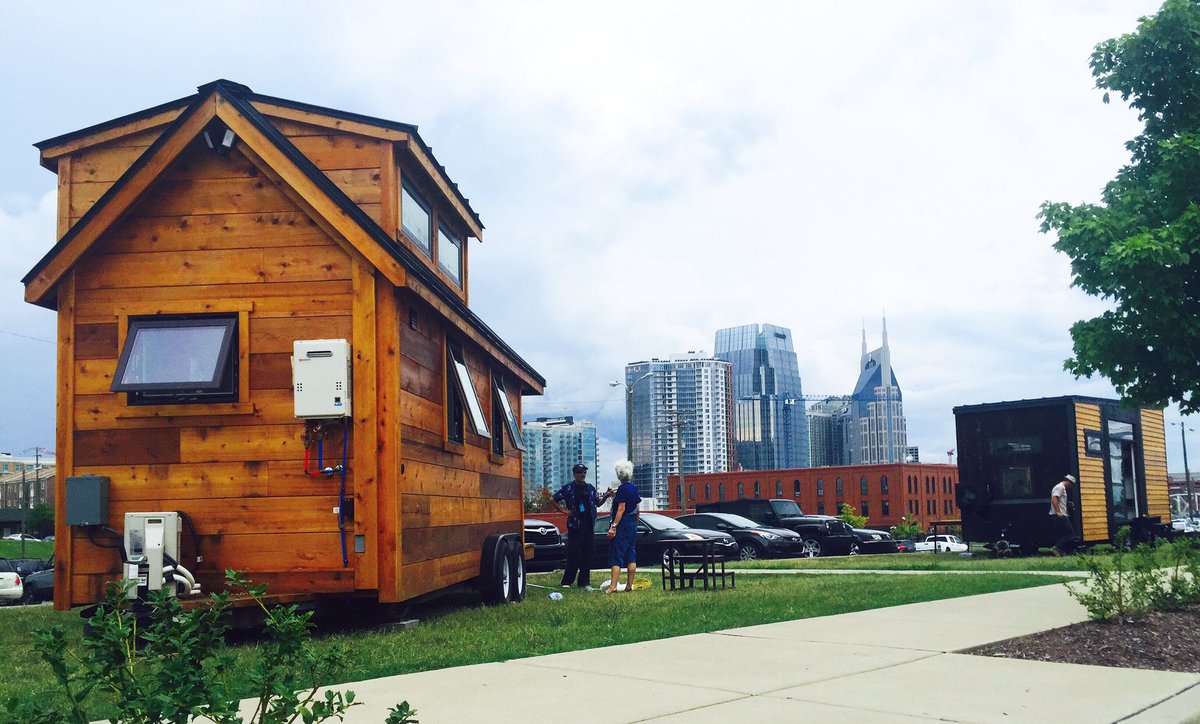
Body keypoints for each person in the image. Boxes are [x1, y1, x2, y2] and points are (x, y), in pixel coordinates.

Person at [552, 463, 611, 590]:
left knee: (588, 553)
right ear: (574, 474)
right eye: (579, 472)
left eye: (584, 472)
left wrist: (606, 495)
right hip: (575, 526)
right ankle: (567, 581)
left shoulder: (590, 488)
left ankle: (584, 582)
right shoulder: (568, 488)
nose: (582, 474)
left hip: (588, 525)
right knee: (574, 554)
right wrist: (564, 511)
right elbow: (553, 499)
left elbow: (598, 503)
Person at [606, 459, 641, 594]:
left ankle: (613, 586)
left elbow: (621, 508)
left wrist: (614, 526)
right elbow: (637, 507)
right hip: (632, 524)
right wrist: (636, 520)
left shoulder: (622, 489)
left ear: (618, 474)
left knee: (617, 554)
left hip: (623, 524)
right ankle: (629, 585)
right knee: (631, 553)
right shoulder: (633, 488)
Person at [1050, 474, 1076, 555]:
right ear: (1068, 481)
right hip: (1060, 515)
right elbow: (1054, 498)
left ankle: (1061, 550)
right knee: (1070, 532)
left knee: (1063, 533)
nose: (1070, 486)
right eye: (1071, 484)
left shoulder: (1062, 488)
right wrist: (1058, 511)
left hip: (1062, 514)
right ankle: (1056, 547)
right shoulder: (1060, 487)